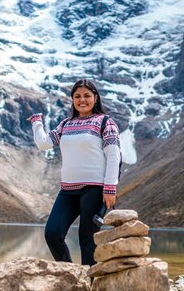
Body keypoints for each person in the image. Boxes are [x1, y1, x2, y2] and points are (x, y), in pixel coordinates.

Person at [28, 78, 122, 266]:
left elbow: (114, 154)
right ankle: (70, 273)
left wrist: (110, 187)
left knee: (87, 240)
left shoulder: (105, 122)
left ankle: (90, 285)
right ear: (72, 100)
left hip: (94, 189)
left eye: (87, 95)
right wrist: (37, 122)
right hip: (68, 191)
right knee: (53, 233)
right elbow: (44, 143)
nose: (82, 100)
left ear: (95, 97)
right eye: (77, 96)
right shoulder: (65, 124)